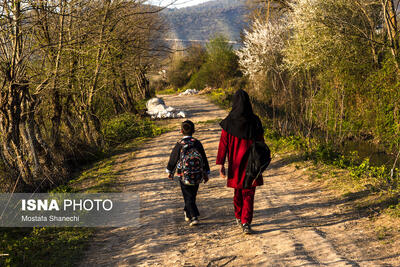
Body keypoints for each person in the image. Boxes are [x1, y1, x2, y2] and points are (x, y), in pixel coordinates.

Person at [216, 89, 264, 234]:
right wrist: (262, 161)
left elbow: (223, 144)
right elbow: (261, 142)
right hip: (252, 163)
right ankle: (245, 222)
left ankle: (239, 216)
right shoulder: (255, 121)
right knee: (248, 192)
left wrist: (221, 164)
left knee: (238, 191)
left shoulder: (229, 122)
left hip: (235, 164)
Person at [166, 120, 210, 226]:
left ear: (181, 131)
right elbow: (203, 158)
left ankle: (194, 217)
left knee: (188, 195)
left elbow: (173, 159)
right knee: (192, 195)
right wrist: (206, 172)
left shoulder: (180, 144)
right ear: (194, 131)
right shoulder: (197, 143)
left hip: (183, 175)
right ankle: (188, 211)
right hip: (197, 174)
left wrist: (170, 171)